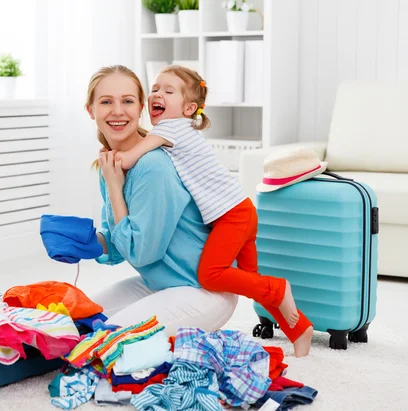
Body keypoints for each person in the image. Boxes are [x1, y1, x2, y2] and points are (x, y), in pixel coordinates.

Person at [110, 65, 313, 357]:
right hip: (240, 211)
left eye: (168, 91)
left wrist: (111, 161)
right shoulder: (184, 129)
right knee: (250, 280)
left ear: (189, 107)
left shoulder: (169, 128)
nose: (157, 94)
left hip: (233, 215)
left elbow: (129, 158)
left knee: (211, 274)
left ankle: (279, 289)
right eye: (155, 88)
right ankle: (299, 330)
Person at [84, 65, 238, 338]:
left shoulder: (152, 165)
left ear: (140, 108)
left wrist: (114, 187)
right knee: (77, 322)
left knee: (108, 341)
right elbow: (119, 247)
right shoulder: (109, 164)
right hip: (159, 284)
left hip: (201, 291)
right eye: (106, 102)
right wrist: (84, 242)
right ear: (91, 110)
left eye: (127, 101)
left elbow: (142, 253)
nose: (117, 111)